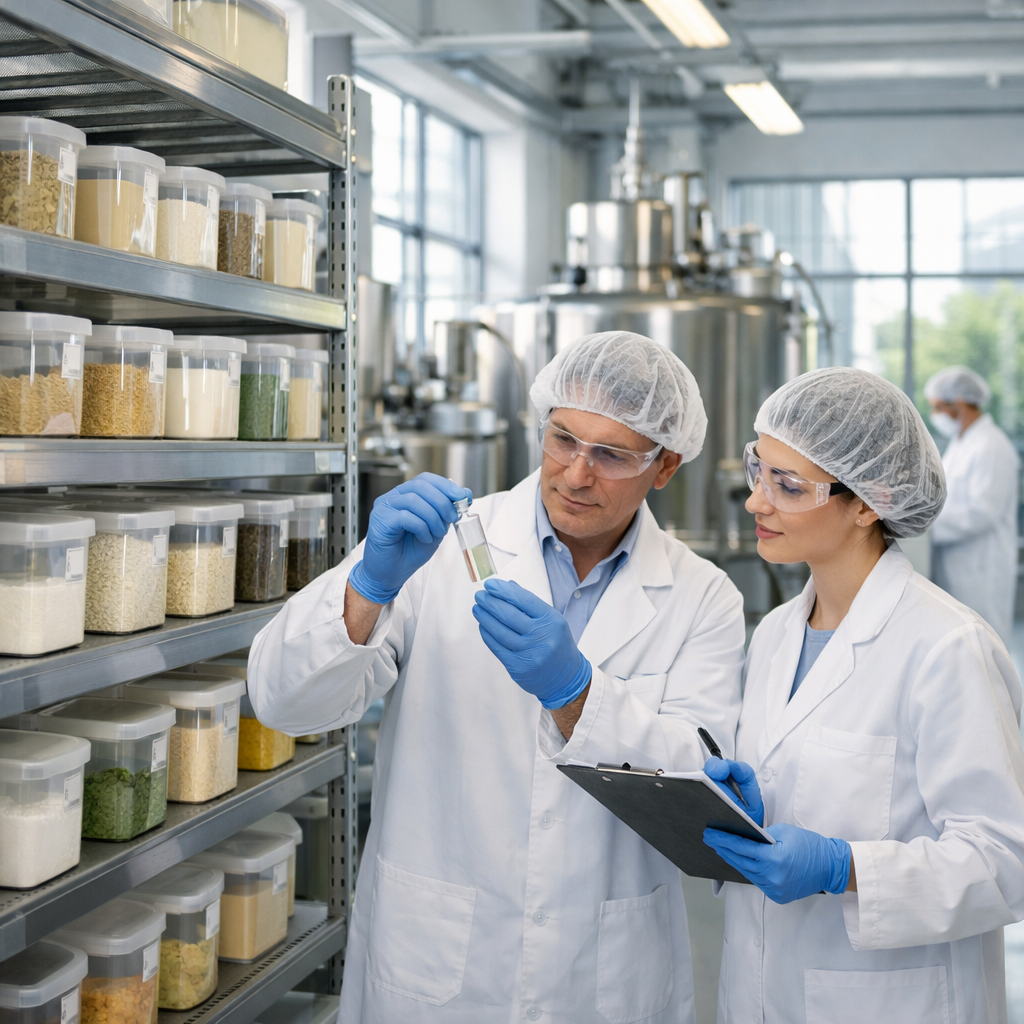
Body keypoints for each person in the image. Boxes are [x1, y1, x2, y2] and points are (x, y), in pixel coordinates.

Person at [247, 331, 746, 1024]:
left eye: (611, 455)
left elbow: (698, 792)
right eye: (563, 439)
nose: (575, 473)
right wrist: (367, 587)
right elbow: (282, 702)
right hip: (437, 953)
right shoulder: (446, 546)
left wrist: (578, 696)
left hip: (602, 971)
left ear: (665, 467)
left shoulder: (704, 596)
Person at [697, 367, 1024, 1023]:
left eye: (787, 486)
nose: (757, 501)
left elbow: (1004, 862)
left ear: (867, 502)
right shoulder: (777, 635)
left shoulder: (946, 646)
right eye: (759, 471)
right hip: (762, 991)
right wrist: (746, 808)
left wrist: (844, 868)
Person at [925, 365, 1019, 647]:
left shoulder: (992, 446)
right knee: (962, 648)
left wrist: (926, 526)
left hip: (981, 568)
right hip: (957, 563)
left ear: (961, 404)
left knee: (984, 648)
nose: (936, 415)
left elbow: (982, 512)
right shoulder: (962, 442)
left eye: (939, 407)